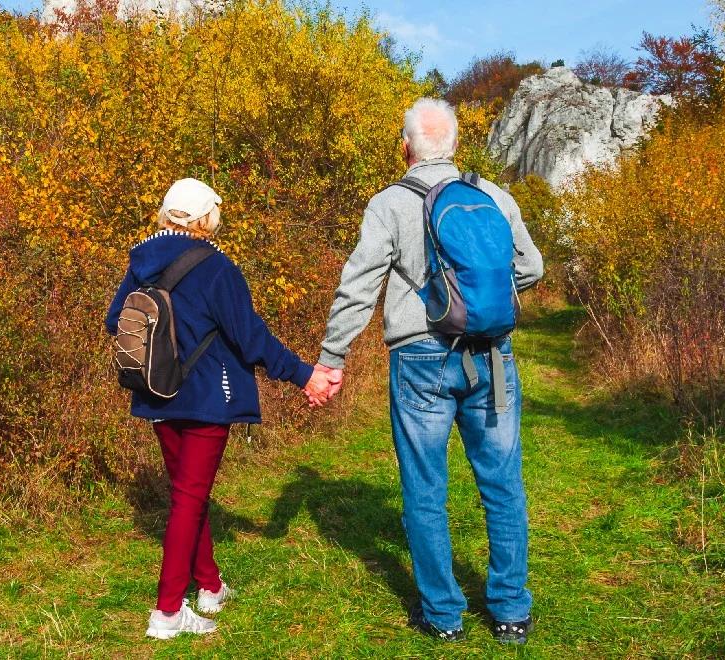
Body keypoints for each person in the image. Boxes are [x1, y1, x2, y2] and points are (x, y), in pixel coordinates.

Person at [313, 98, 544, 644]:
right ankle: (511, 611)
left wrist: (331, 359)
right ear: (456, 146)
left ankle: (443, 617)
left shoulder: (390, 203)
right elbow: (531, 268)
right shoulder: (493, 196)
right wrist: (484, 300)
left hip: (420, 358)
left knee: (424, 486)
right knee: (503, 483)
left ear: (405, 147)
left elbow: (359, 286)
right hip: (492, 353)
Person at [105, 178, 334, 639]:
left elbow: (116, 320)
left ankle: (209, 587)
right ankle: (167, 613)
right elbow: (251, 339)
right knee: (189, 498)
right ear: (207, 218)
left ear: (167, 215)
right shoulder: (217, 268)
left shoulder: (141, 262)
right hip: (208, 397)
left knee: (189, 494)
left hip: (157, 394)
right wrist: (305, 375)